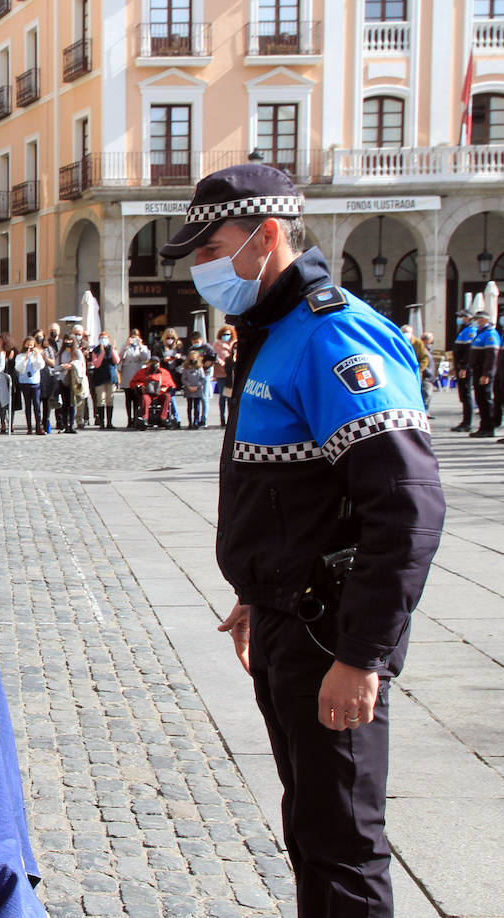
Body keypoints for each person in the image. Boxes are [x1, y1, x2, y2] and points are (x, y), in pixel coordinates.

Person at [160, 163, 445, 918]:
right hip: (290, 617)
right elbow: (293, 491)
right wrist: (259, 590)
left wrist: (362, 656)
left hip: (332, 634)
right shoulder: (274, 330)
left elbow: (407, 506)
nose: (200, 266)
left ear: (268, 236)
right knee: (312, 828)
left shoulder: (332, 333)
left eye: (211, 246)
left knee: (346, 844)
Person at [468, 299, 499, 438]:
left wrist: (487, 373)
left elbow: (491, 356)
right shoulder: (480, 333)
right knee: (480, 399)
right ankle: (483, 426)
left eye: (479, 319)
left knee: (486, 399)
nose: (477, 322)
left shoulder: (490, 334)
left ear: (486, 320)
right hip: (478, 370)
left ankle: (488, 427)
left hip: (483, 371)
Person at [127, 356, 174, 429]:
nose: (154, 364)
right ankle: (144, 418)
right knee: (144, 398)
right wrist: (141, 386)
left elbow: (171, 384)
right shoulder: (142, 372)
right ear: (149, 363)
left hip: (160, 393)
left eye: (156, 363)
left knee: (167, 396)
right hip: (148, 393)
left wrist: (166, 387)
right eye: (152, 362)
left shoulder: (164, 372)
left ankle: (163, 418)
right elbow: (133, 383)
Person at [116, 331, 150, 427]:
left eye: (136, 338)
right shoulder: (126, 346)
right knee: (128, 398)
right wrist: (126, 346)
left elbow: (146, 358)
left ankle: (136, 418)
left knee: (137, 398)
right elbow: (120, 357)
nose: (134, 340)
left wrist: (140, 346)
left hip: (137, 372)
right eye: (132, 337)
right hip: (127, 374)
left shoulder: (143, 347)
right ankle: (129, 419)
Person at [88, 332, 120, 429]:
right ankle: (102, 422)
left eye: (105, 338)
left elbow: (117, 361)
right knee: (101, 400)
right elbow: (96, 364)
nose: (104, 339)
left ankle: (109, 422)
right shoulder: (96, 350)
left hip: (111, 377)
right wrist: (102, 353)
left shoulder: (112, 348)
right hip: (100, 378)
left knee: (110, 400)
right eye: (101, 338)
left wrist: (113, 350)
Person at [16, 336, 47, 434]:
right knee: (27, 405)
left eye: (31, 345)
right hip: (25, 383)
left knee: (37, 405)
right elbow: (19, 368)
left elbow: (40, 366)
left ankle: (38, 426)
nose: (29, 347)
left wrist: (37, 356)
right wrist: (25, 358)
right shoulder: (20, 356)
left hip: (35, 382)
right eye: (27, 345)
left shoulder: (36, 355)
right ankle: (29, 427)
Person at [213, 324, 236, 426]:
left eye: (228, 334)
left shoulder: (234, 344)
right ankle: (222, 418)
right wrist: (222, 362)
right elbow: (215, 356)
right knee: (223, 396)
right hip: (221, 373)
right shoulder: (217, 344)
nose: (226, 336)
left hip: (231, 374)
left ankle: (231, 418)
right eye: (224, 334)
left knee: (231, 397)